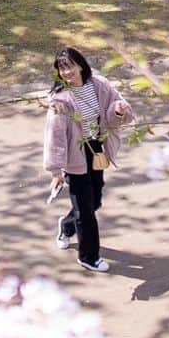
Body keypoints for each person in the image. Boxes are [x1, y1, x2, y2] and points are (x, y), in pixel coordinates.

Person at [43, 46, 132, 273]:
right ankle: (89, 256)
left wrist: (119, 110)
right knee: (85, 209)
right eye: (62, 69)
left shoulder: (99, 85)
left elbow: (114, 108)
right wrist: (55, 169)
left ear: (81, 65)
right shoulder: (60, 101)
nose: (67, 73)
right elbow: (55, 136)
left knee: (95, 201)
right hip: (75, 155)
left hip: (96, 148)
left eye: (70, 66)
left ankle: (66, 225)